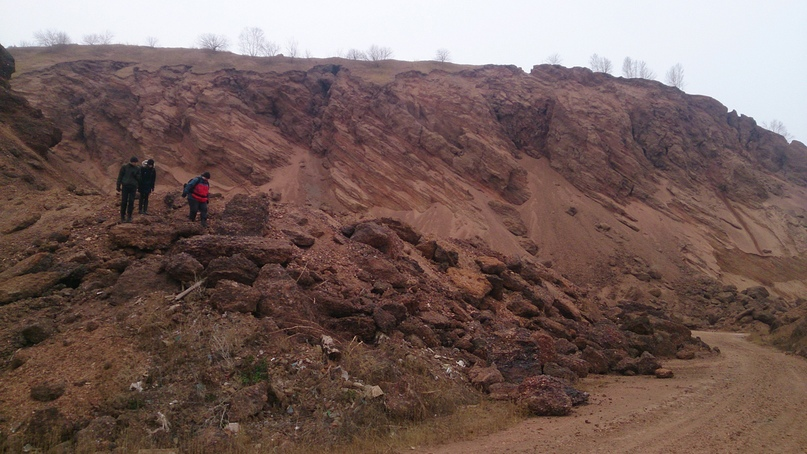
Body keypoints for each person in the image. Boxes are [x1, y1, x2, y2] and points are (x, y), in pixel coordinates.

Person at [116, 156, 141, 223]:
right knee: (124, 201)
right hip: (125, 186)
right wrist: (118, 185)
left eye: (136, 162)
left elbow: (139, 179)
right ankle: (122, 216)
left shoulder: (137, 168)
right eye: (134, 162)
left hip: (133, 187)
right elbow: (120, 176)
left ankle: (129, 216)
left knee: (131, 201)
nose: (135, 163)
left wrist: (136, 176)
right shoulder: (124, 167)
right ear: (131, 161)